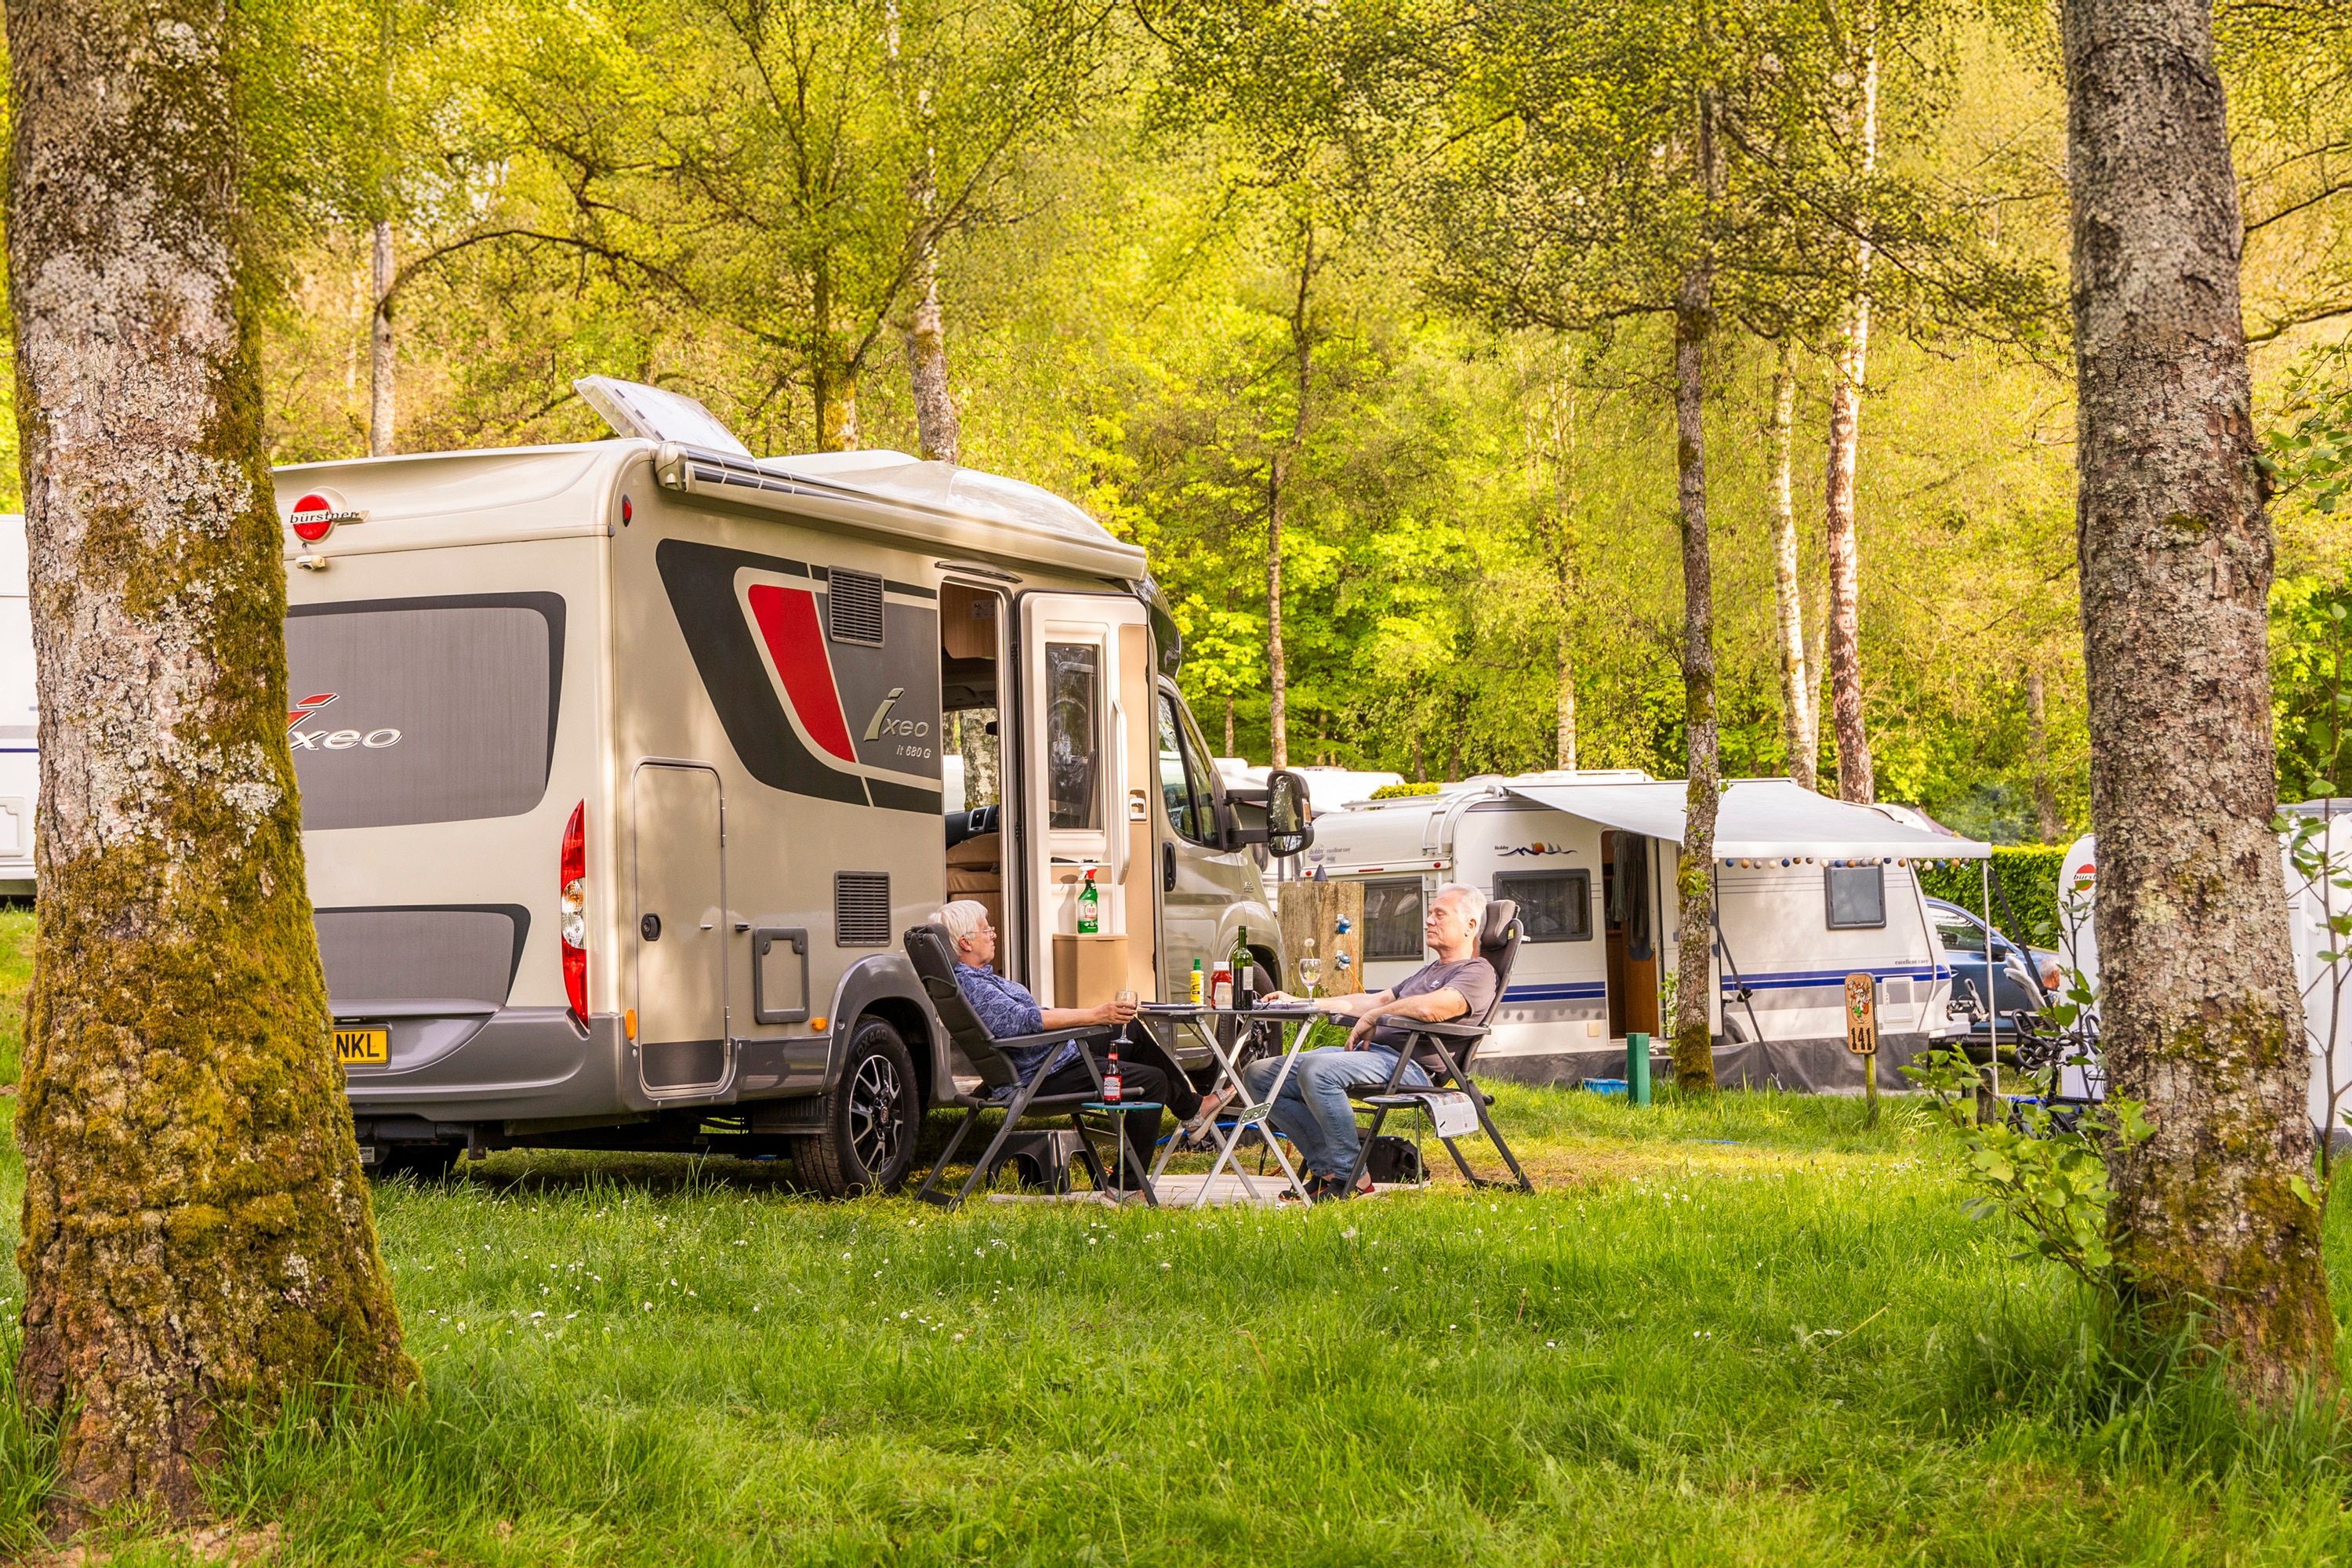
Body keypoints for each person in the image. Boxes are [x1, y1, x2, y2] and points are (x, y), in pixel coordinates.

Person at [1243, 884, 1497, 1201]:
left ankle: (1351, 1178)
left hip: (1413, 1067)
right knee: (1260, 1075)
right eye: (1430, 913)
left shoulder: (1478, 972)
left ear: (1470, 925)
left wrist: (1376, 1017)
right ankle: (1329, 1171)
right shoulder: (1430, 970)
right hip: (1377, 1057)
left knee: (1319, 1071)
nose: (1428, 920)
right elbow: (1373, 1000)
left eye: (1439, 914)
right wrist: (1300, 1001)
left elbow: (1432, 1008)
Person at [934, 900, 1204, 1174]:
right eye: (986, 930)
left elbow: (1030, 1016)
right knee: (1151, 1081)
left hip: (1046, 1057)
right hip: (1042, 1075)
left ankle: (1193, 1111)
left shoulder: (970, 979)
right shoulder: (976, 987)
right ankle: (1129, 1186)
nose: (993, 934)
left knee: (1129, 1031)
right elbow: (1028, 1021)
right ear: (965, 943)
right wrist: (1096, 1015)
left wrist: (1098, 1015)